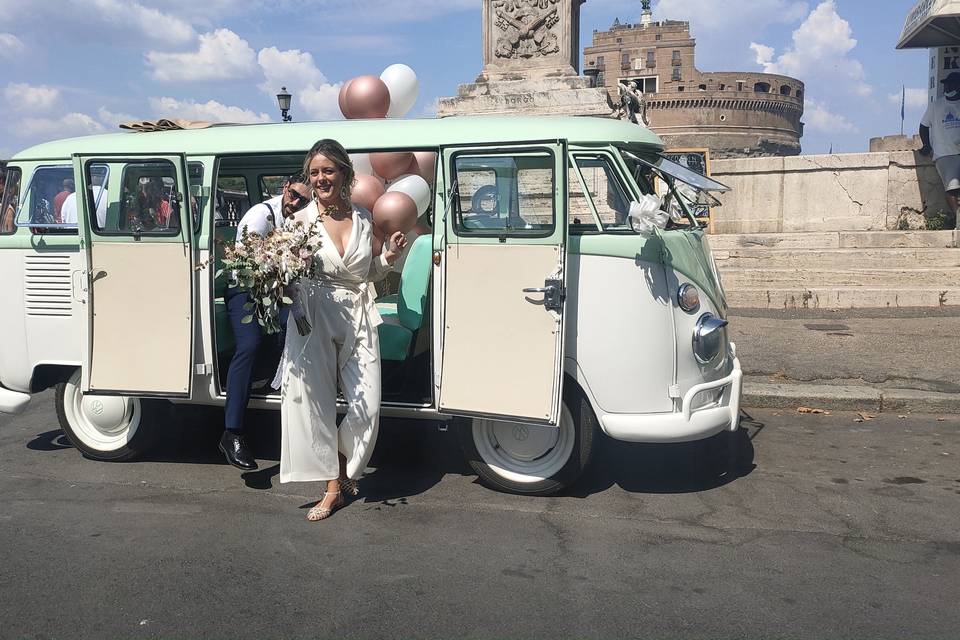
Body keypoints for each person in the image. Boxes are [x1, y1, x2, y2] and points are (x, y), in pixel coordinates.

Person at [277, 139, 406, 521]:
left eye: (328, 170)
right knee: (314, 403)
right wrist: (279, 285)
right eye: (314, 172)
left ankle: (343, 462)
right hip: (312, 315)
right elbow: (287, 273)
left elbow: (365, 274)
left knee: (369, 403)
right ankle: (333, 486)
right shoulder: (298, 223)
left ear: (345, 174)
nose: (321, 178)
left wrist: (388, 258)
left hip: (358, 315)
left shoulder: (364, 219)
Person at [219, 173, 313, 470]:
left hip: (279, 290)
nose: (296, 203)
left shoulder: (299, 222)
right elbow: (247, 264)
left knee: (302, 329)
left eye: (304, 201)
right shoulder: (261, 215)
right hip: (245, 289)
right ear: (285, 188)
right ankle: (232, 432)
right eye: (294, 195)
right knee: (249, 344)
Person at [920, 71, 960, 229]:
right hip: (945, 153)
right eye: (946, 84)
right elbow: (923, 126)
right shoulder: (936, 106)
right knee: (952, 188)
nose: (947, 87)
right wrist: (926, 146)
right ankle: (958, 219)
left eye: (950, 84)